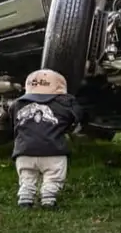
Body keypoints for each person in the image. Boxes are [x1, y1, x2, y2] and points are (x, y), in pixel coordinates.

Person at [10, 69, 83, 209]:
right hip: (53, 150)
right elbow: (79, 116)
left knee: (27, 177)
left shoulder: (18, 104)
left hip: (24, 152)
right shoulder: (65, 103)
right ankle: (48, 199)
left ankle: (25, 198)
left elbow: (12, 124)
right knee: (53, 176)